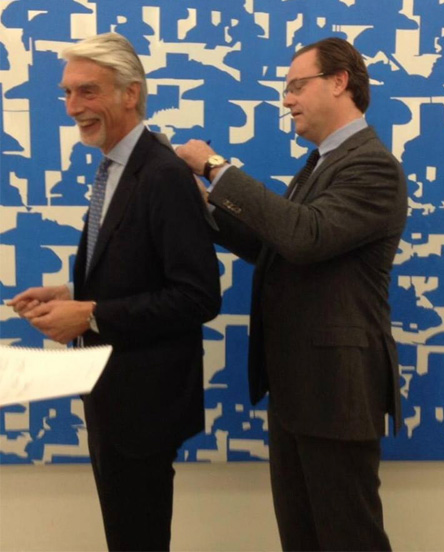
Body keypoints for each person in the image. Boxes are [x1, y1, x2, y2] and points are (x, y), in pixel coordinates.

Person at [176, 37, 407, 551]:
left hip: (335, 392)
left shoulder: (372, 166)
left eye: (297, 85)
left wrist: (215, 167)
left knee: (349, 540)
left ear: (340, 82)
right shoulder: (320, 163)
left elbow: (305, 236)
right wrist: (204, 206)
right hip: (299, 387)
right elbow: (276, 246)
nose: (287, 99)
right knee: (302, 539)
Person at [8, 32, 221, 551]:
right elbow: (133, 271)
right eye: (67, 93)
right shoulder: (116, 167)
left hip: (143, 409)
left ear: (131, 93)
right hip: (112, 398)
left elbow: (198, 297)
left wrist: (91, 315)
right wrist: (70, 293)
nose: (72, 107)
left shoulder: (162, 173)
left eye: (87, 91)